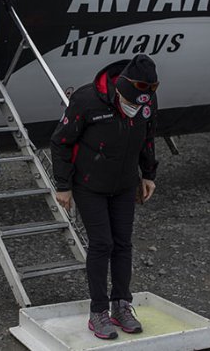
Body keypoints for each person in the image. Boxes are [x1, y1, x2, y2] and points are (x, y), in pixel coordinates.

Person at [50, 54, 159, 340]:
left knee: (123, 244)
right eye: (132, 101)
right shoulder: (87, 100)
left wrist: (148, 175)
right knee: (102, 244)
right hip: (89, 185)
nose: (135, 107)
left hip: (124, 185)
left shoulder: (145, 102)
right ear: (120, 87)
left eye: (141, 103)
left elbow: (147, 138)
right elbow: (61, 141)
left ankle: (121, 305)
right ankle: (98, 311)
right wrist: (63, 185)